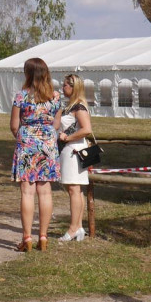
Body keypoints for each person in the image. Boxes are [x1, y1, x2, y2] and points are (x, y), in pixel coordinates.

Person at [10, 57, 62, 253]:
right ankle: (43, 236)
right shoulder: (55, 97)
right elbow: (56, 124)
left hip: (27, 144)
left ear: (28, 74)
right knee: (45, 192)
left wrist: (25, 137)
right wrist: (45, 136)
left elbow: (14, 125)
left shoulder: (21, 96)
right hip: (48, 144)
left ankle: (27, 238)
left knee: (27, 192)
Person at [58, 74, 92, 241]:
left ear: (73, 87)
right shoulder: (70, 106)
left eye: (65, 85)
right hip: (69, 150)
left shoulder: (79, 107)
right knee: (75, 190)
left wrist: (67, 138)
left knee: (74, 190)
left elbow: (86, 129)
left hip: (75, 150)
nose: (62, 88)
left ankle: (73, 228)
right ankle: (78, 226)